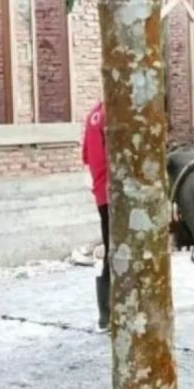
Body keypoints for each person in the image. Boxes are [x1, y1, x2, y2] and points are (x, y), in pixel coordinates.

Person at [82, 100, 110, 332]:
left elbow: (86, 156)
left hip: (101, 192)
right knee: (120, 252)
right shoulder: (116, 114)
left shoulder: (93, 114)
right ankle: (110, 314)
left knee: (110, 249)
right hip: (117, 195)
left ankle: (105, 315)